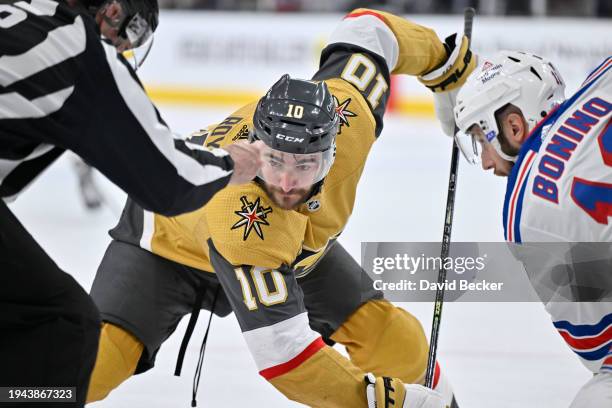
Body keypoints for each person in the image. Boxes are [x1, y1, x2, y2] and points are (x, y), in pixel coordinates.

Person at [86, 8, 476, 408]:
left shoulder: (350, 114)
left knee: (394, 340)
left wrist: (445, 66)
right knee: (91, 371)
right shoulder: (240, 214)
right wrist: (385, 402)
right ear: (255, 148)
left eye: (305, 164)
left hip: (287, 247)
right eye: (274, 161)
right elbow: (286, 359)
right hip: (168, 245)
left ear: (333, 151)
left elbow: (370, 28)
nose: (287, 184)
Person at [0, 0, 262, 406]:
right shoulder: (82, 46)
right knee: (63, 325)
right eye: (130, 35)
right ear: (114, 11)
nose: (123, 49)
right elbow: (168, 180)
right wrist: (231, 165)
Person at [452, 51, 611, 407]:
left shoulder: (527, 214)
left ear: (513, 126)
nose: (487, 163)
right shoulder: (600, 80)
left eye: (481, 140)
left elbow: (598, 344)